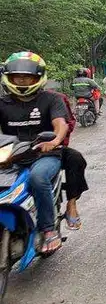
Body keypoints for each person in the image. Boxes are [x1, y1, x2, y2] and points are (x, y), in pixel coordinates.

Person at [0, 52, 68, 254]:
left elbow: (60, 124)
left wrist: (55, 140)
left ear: (37, 78)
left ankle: (48, 230)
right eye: (17, 77)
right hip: (10, 155)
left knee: (38, 178)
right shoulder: (2, 103)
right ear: (8, 77)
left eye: (27, 77)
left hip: (44, 155)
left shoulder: (52, 99)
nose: (22, 81)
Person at [44, 81, 88, 230]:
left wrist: (55, 140)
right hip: (13, 150)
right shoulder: (6, 103)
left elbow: (66, 123)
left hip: (49, 147)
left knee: (75, 159)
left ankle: (72, 203)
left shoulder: (55, 99)